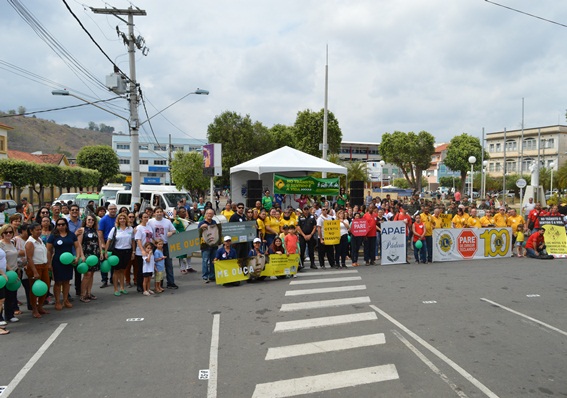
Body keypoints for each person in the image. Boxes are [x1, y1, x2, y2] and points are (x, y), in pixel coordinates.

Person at [47, 218, 82, 311]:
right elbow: (48, 250)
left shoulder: (71, 235)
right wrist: (49, 263)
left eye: (63, 224)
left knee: (67, 281)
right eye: (59, 225)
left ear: (66, 225)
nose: (61, 226)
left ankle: (65, 300)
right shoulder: (53, 236)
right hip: (57, 262)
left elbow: (77, 246)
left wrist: (77, 257)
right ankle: (58, 301)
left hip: (69, 261)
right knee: (58, 282)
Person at [147, 207, 178, 290]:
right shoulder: (150, 222)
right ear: (154, 213)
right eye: (157, 212)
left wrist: (171, 232)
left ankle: (171, 282)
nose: (159, 213)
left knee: (168, 264)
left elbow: (174, 230)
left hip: (165, 245)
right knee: (155, 264)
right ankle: (157, 284)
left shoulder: (167, 221)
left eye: (161, 212)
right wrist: (153, 242)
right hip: (154, 245)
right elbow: (148, 233)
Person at [77, 215, 104, 303]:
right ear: (85, 220)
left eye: (92, 220)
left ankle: (89, 293)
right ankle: (82, 294)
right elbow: (79, 244)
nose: (90, 221)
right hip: (86, 254)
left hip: (95, 254)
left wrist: (101, 253)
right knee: (87, 275)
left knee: (91, 274)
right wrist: (82, 255)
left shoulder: (96, 231)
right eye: (89, 219)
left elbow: (99, 242)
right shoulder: (82, 230)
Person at [107, 213, 135, 296]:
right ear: (118, 220)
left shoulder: (130, 229)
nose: (122, 220)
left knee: (123, 270)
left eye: (124, 218)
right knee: (116, 271)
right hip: (117, 252)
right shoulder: (115, 229)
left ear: (126, 220)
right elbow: (108, 240)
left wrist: (133, 252)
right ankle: (116, 288)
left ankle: (122, 288)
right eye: (120, 219)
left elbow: (133, 241)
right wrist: (105, 252)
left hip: (127, 251)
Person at [0, 225, 20, 323]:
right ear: (2, 234)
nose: (8, 234)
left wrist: (17, 270)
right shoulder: (1, 244)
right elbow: (3, 260)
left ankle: (9, 314)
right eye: (6, 232)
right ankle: (1, 317)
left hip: (14, 270)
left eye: (10, 232)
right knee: (2, 296)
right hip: (5, 272)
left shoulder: (12, 242)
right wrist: (8, 271)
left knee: (12, 294)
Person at [98, 204, 118, 288]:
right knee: (105, 261)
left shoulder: (118, 218)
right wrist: (102, 243)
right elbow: (100, 232)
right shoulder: (103, 219)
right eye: (111, 209)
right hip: (106, 241)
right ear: (108, 210)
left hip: (116, 242)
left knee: (114, 261)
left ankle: (113, 279)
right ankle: (104, 280)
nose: (113, 210)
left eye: (114, 209)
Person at [199, 209, 220, 283]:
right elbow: (198, 233)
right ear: (205, 214)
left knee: (213, 261)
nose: (209, 215)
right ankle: (205, 276)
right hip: (205, 246)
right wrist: (201, 227)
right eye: (208, 213)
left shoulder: (214, 222)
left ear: (213, 214)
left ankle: (212, 276)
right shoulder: (202, 223)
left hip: (214, 245)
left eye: (211, 213)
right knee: (205, 261)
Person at [134, 213, 153, 293]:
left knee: (148, 269)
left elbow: (151, 238)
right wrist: (142, 250)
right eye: (144, 217)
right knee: (141, 269)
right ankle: (140, 285)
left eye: (147, 217)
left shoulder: (149, 226)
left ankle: (147, 287)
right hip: (141, 252)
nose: (146, 218)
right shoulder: (139, 228)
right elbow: (138, 240)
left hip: (149, 250)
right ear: (141, 218)